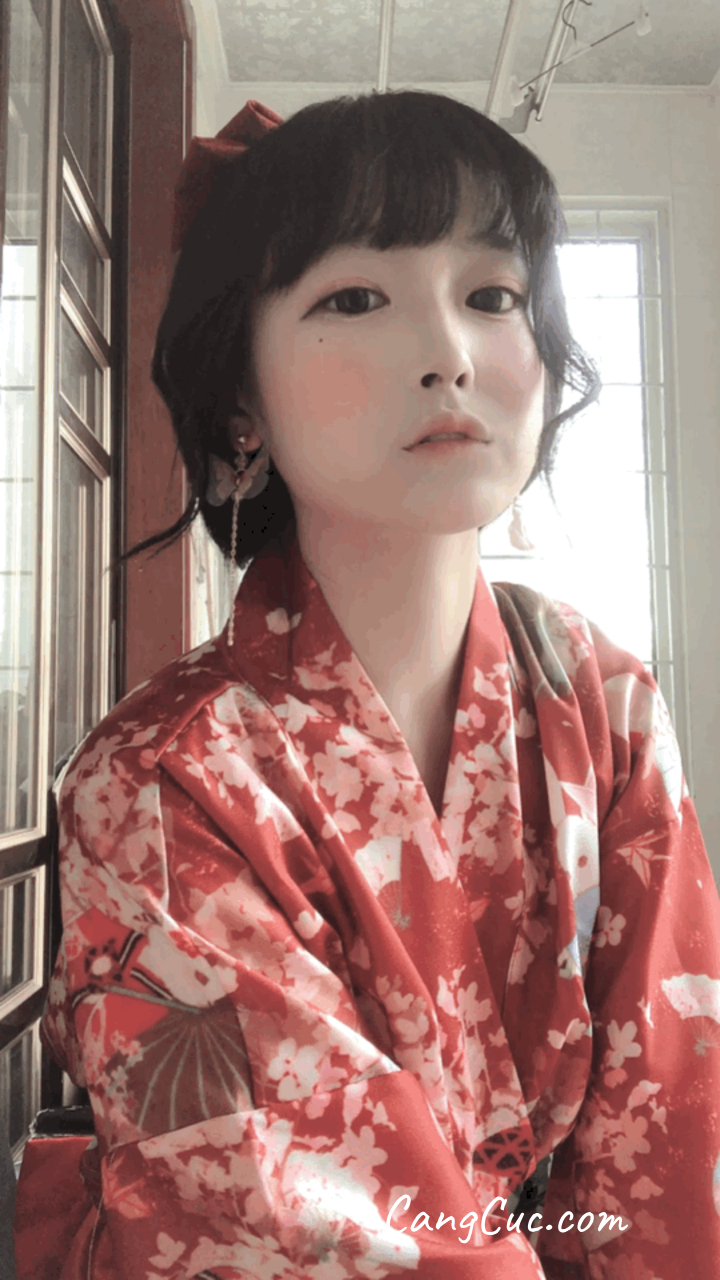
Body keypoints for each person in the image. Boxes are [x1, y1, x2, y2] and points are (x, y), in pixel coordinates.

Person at [32, 91, 720, 1280]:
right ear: (240, 403)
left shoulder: (602, 700)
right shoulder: (160, 777)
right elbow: (292, 1220)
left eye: (492, 295)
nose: (449, 352)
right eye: (355, 298)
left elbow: (673, 1128)